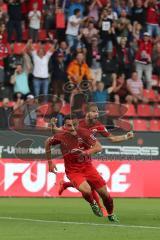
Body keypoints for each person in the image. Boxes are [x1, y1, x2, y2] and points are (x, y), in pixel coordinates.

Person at [50, 104, 134, 216]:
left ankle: (66, 185)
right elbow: (59, 132)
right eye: (94, 111)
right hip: (72, 156)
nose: (96, 114)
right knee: (88, 186)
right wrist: (52, 126)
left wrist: (125, 137)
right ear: (87, 112)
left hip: (86, 157)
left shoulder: (98, 126)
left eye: (98, 112)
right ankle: (99, 207)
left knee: (91, 184)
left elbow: (112, 138)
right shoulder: (76, 123)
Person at [45, 114, 119, 222]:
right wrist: (50, 163)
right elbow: (47, 143)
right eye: (69, 126)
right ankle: (93, 204)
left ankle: (111, 214)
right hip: (73, 171)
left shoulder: (84, 133)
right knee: (87, 190)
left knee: (106, 196)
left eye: (74, 125)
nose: (72, 128)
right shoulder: (61, 135)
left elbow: (98, 147)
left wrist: (86, 152)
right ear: (64, 126)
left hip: (88, 168)